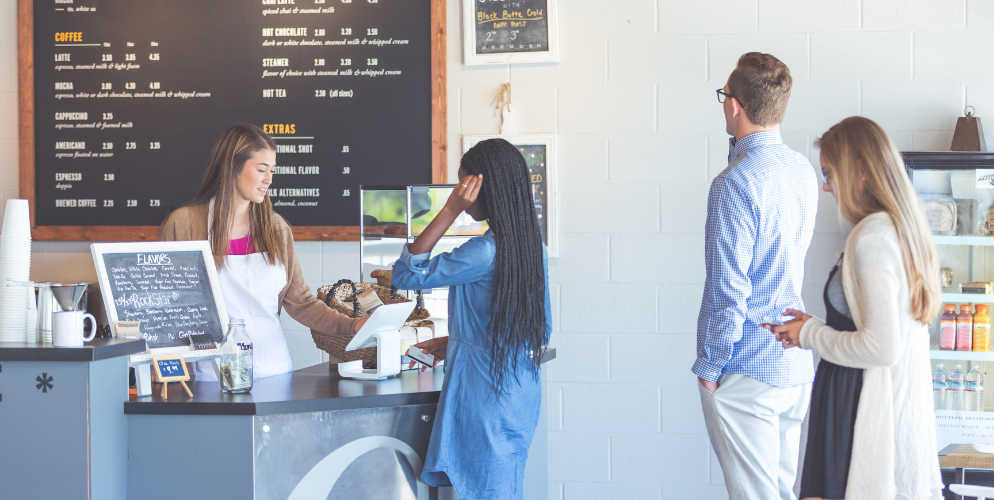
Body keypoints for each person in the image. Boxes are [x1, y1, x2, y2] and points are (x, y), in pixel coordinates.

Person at [765, 116, 944, 500]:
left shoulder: (872, 239)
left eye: (830, 173)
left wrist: (810, 334)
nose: (826, 185)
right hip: (857, 400)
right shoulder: (897, 230)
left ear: (861, 171)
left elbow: (882, 347)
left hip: (853, 408)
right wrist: (809, 327)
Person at [391, 138, 551, 500]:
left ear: (482, 188)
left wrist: (449, 210)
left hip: (484, 394)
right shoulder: (530, 247)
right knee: (501, 488)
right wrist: (456, 341)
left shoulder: (482, 252)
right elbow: (535, 326)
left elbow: (406, 274)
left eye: (465, 187)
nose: (462, 195)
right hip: (517, 392)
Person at [693, 52, 819, 500]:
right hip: (794, 362)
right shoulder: (803, 171)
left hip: (746, 367)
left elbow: (729, 290)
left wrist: (710, 365)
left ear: (733, 105)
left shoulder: (733, 182)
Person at [160, 123, 366, 380]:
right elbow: (167, 307)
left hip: (274, 372)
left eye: (272, 170)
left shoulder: (277, 229)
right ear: (232, 167)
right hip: (210, 376)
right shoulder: (184, 224)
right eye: (261, 169)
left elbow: (301, 303)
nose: (269, 179)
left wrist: (353, 325)